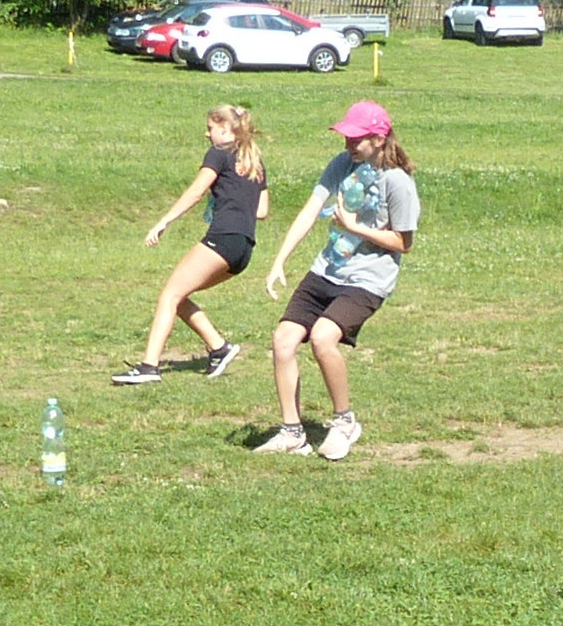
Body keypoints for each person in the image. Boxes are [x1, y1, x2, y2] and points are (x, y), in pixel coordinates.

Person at [256, 101, 420, 460]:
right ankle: (292, 433)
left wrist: (355, 228)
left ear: (378, 139)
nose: (348, 144)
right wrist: (279, 261)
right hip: (326, 270)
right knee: (283, 340)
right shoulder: (341, 164)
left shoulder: (397, 181)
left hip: (367, 280)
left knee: (322, 337)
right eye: (346, 136)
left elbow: (403, 243)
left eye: (356, 138)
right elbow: (310, 211)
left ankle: (344, 422)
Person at [111, 105, 268, 386]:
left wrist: (164, 221)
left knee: (169, 295)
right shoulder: (254, 161)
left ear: (225, 128)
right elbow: (262, 210)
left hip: (223, 237)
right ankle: (219, 348)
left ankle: (149, 367)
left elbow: (196, 191)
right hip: (244, 247)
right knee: (179, 297)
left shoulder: (218, 153)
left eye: (210, 128)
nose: (207, 134)